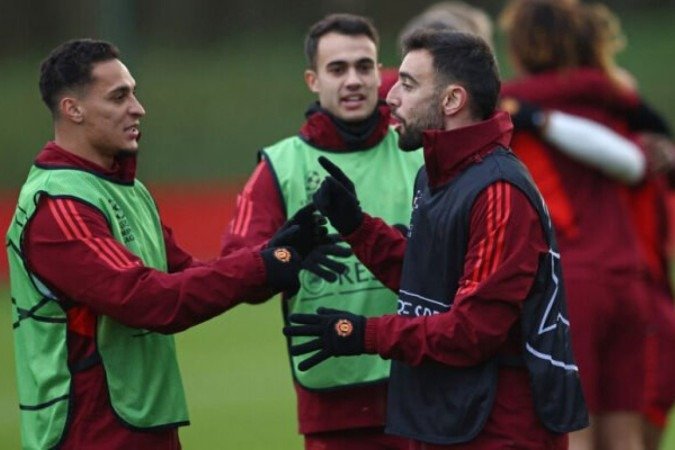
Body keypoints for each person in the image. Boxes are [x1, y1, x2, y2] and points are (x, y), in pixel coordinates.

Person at [6, 38, 345, 450]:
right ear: (72, 110)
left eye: (133, 91)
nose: (138, 107)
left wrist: (275, 257)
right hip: (87, 433)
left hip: (142, 425)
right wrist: (264, 264)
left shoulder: (126, 189)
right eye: (119, 96)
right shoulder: (57, 205)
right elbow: (147, 299)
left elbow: (188, 274)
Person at [285, 30, 588, 449]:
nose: (390, 97)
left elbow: (471, 331)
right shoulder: (435, 174)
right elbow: (426, 281)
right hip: (450, 417)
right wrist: (356, 225)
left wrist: (365, 334)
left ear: (451, 101)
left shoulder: (499, 191)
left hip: (498, 429)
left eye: (408, 85)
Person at [219, 14, 423, 450]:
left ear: (379, 72)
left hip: (422, 386)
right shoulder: (280, 165)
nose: (353, 80)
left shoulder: (418, 149)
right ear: (313, 79)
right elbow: (235, 268)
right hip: (333, 406)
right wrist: (282, 260)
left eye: (364, 66)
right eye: (337, 69)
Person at [498, 1, 655, 449]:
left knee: (573, 427)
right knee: (625, 430)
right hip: (629, 278)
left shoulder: (515, 107)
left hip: (571, 281)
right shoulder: (614, 102)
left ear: (526, 43)